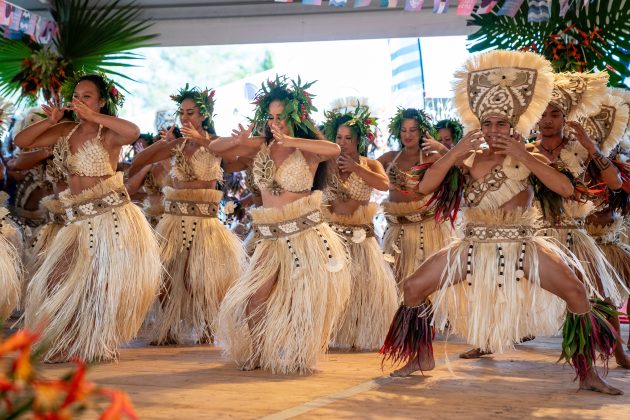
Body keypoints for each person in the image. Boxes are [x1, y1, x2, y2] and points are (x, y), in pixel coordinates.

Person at [380, 50, 622, 395]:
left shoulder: (530, 156)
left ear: (514, 126)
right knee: (413, 288)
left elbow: (566, 188)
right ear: (479, 126)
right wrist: (455, 152)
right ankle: (421, 357)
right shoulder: (470, 158)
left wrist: (523, 155)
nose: (494, 131)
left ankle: (587, 373)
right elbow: (426, 185)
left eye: (501, 124)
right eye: (488, 124)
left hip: (522, 246)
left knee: (577, 293)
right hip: (473, 246)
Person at [17, 72, 161, 363]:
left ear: (102, 101)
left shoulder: (108, 133)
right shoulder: (66, 130)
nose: (79, 101)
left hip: (108, 217)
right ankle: (65, 337)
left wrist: (96, 118)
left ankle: (91, 341)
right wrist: (51, 120)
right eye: (77, 96)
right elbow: (22, 141)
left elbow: (133, 131)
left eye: (87, 96)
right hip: (76, 219)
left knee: (98, 285)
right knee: (56, 279)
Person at [215, 75, 351, 374]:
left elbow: (334, 150)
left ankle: (301, 350)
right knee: (256, 295)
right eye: (271, 116)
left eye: (282, 116)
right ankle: (258, 350)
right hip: (270, 234)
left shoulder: (308, 148)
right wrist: (236, 141)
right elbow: (216, 149)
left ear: (296, 115)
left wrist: (290, 141)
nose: (275, 122)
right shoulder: (261, 145)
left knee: (302, 297)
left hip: (304, 232)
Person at [128, 85, 246, 345]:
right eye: (181, 112)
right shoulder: (177, 145)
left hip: (205, 221)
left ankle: (208, 326)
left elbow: (240, 157)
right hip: (174, 219)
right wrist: (163, 143)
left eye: (190, 112)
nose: (184, 117)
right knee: (166, 277)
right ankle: (168, 326)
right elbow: (138, 162)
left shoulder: (216, 144)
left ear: (204, 114)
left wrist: (203, 141)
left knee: (203, 278)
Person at [321, 99, 398, 351]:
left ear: (358, 140)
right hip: (331, 236)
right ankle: (329, 332)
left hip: (360, 237)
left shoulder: (370, 164)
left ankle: (358, 333)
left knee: (362, 287)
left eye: (348, 138)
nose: (342, 142)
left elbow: (383, 185)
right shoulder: (325, 164)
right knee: (331, 287)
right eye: (339, 137)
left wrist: (355, 167)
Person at [377, 108, 452, 287]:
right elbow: (365, 171)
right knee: (396, 284)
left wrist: (440, 147)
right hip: (396, 231)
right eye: (404, 130)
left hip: (426, 232)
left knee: (427, 287)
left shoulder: (431, 157)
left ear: (421, 131)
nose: (408, 135)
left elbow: (459, 164)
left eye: (413, 130)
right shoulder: (389, 158)